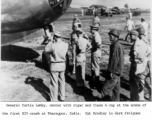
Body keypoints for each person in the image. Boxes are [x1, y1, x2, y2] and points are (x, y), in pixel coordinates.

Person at [100, 29, 124, 101]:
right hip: (118, 72)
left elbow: (114, 60)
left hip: (114, 72)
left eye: (111, 36)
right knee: (116, 92)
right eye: (109, 36)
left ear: (116, 37)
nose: (109, 37)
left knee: (105, 90)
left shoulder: (116, 46)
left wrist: (111, 71)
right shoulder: (118, 45)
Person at [45, 32, 69, 101]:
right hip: (62, 65)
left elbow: (46, 50)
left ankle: (54, 99)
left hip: (55, 65)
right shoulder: (65, 45)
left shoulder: (53, 45)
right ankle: (62, 97)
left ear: (55, 37)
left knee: (54, 83)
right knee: (62, 81)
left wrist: (50, 41)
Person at [129, 30, 148, 101]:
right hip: (141, 65)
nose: (130, 36)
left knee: (134, 84)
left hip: (135, 65)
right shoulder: (142, 42)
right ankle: (137, 98)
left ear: (136, 36)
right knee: (138, 83)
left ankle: (134, 100)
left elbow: (134, 54)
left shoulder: (136, 44)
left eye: (131, 35)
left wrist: (133, 59)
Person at [136, 28, 151, 101]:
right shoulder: (146, 41)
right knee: (142, 81)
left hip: (144, 64)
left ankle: (141, 97)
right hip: (148, 64)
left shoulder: (141, 42)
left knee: (141, 81)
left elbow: (142, 56)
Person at [90, 24, 102, 88]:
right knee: (94, 66)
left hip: (96, 52)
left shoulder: (96, 35)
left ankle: (96, 80)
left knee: (95, 66)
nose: (90, 29)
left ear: (94, 29)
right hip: (95, 52)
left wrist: (93, 47)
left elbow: (98, 44)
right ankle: (94, 78)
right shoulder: (94, 35)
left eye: (91, 28)